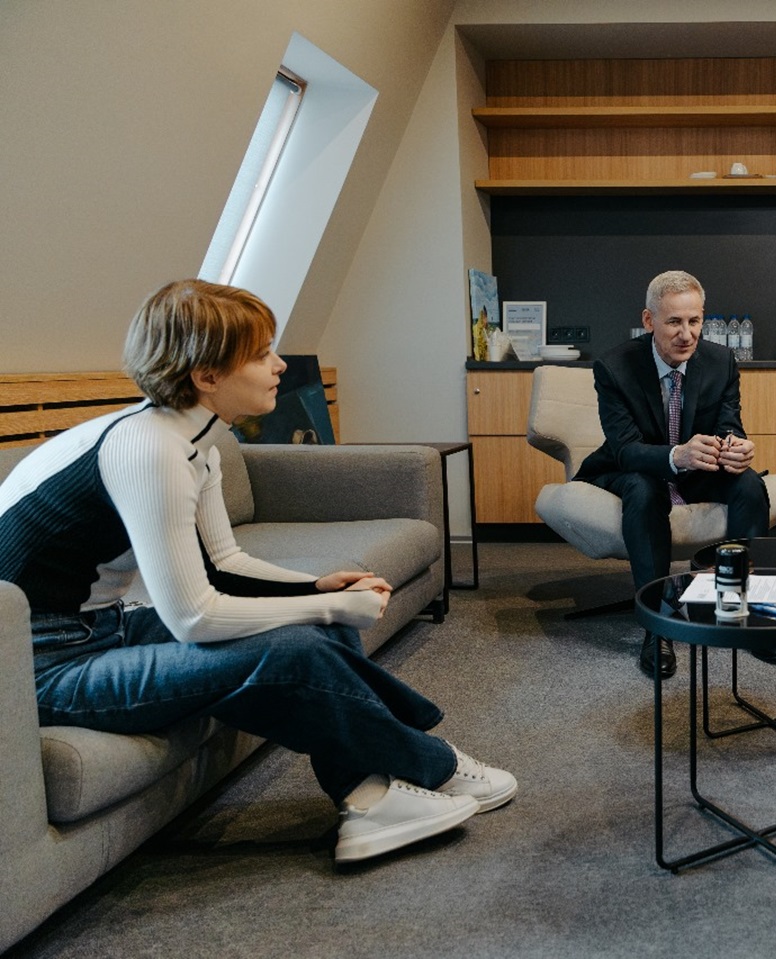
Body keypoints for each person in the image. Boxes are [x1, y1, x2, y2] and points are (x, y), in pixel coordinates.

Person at [0, 280, 517, 864]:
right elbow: (193, 617)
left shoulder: (193, 439)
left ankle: (368, 799)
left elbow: (226, 563)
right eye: (260, 353)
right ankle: (430, 764)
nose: (279, 365)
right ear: (206, 375)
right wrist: (329, 605)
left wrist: (316, 588)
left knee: (318, 627)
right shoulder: (149, 449)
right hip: (39, 669)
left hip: (101, 628)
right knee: (294, 649)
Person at [574, 270, 776, 679]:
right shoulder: (614, 367)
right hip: (632, 467)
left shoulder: (721, 361)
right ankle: (656, 627)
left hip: (694, 468)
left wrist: (736, 446)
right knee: (644, 490)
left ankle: (741, 610)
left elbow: (729, 423)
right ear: (649, 321)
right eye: (674, 322)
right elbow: (624, 448)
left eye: (694, 321)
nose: (687, 334)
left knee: (750, 484)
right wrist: (676, 455)